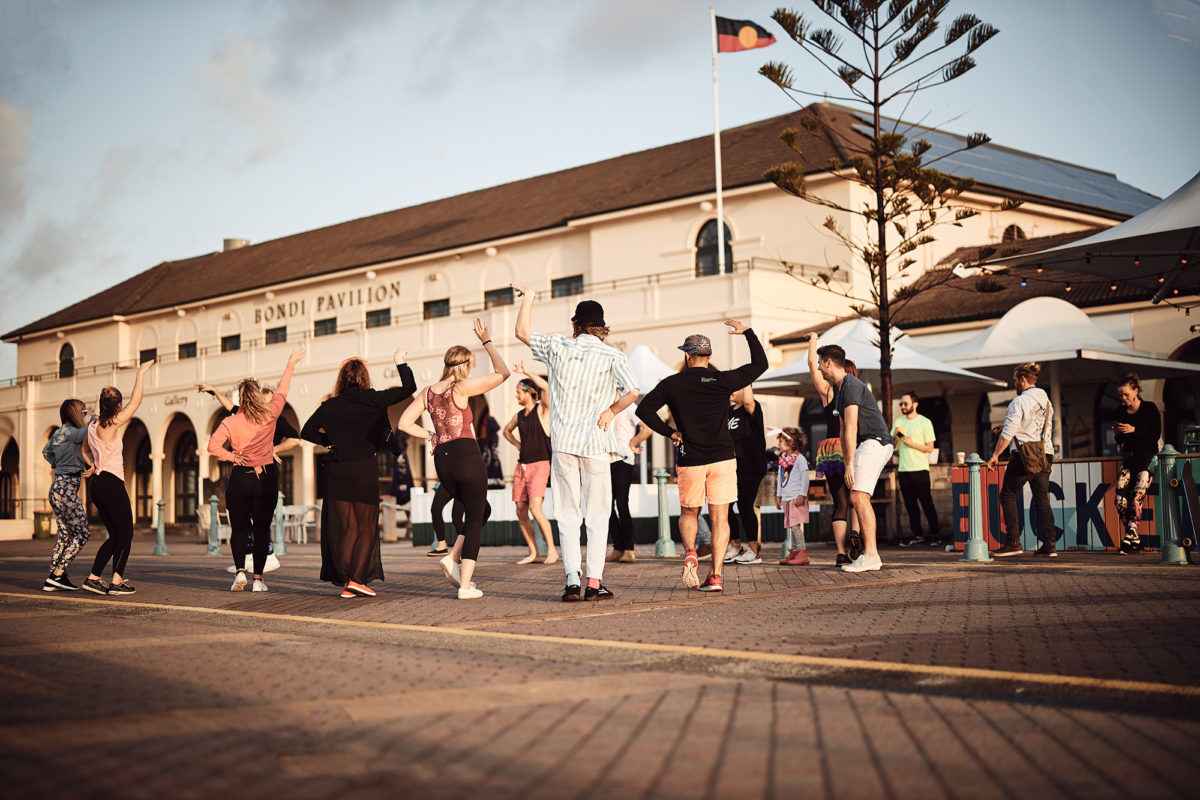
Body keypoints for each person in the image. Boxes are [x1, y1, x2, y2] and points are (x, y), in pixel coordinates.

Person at [515, 287, 638, 602]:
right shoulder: (613, 354)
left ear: (577, 325)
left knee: (568, 514)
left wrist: (528, 296)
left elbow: (522, 332)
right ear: (601, 327)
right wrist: (611, 411)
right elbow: (633, 390)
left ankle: (571, 580)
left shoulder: (558, 346)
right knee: (598, 515)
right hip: (596, 443)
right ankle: (594, 583)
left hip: (564, 445)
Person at [637, 320, 768, 593]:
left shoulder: (672, 383)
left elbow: (644, 411)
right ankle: (717, 576)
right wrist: (748, 334)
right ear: (709, 356)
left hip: (690, 457)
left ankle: (690, 552)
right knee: (720, 517)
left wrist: (670, 432)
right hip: (722, 457)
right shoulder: (723, 380)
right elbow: (760, 365)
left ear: (687, 355)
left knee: (689, 512)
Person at [398, 319, 510, 599]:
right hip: (465, 455)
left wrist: (431, 436)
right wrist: (487, 341)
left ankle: (452, 557)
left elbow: (403, 423)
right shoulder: (461, 387)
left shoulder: (428, 392)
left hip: (443, 460)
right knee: (474, 520)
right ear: (466, 365)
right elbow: (503, 373)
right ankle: (464, 585)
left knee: (482, 511)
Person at [302, 349, 416, 597]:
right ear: (364, 378)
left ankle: (348, 583)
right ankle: (356, 579)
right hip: (362, 469)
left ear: (341, 379)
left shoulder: (330, 406)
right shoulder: (373, 399)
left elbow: (306, 431)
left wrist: (329, 443)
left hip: (337, 470)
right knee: (365, 527)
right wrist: (399, 361)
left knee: (347, 528)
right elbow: (409, 388)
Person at [208, 348, 306, 592]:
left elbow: (212, 446)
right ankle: (258, 580)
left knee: (239, 528)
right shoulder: (270, 414)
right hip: (265, 478)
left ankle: (240, 573)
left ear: (241, 398)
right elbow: (283, 391)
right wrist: (291, 362)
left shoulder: (230, 421)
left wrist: (232, 456)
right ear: (258, 396)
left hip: (240, 478)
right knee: (262, 529)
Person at [198, 381, 298, 575]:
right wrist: (216, 391)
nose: (267, 404)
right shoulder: (251, 415)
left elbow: (295, 439)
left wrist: (271, 450)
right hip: (254, 474)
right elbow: (230, 406)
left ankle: (254, 563)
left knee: (254, 524)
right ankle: (252, 568)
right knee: (249, 524)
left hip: (256, 473)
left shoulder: (275, 418)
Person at [816, 341, 893, 573]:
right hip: (867, 444)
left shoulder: (850, 385)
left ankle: (871, 555)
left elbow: (851, 428)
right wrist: (845, 459)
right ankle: (870, 554)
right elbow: (841, 431)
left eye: (821, 364)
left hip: (875, 442)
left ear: (829, 363)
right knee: (858, 497)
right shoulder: (840, 389)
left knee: (859, 497)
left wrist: (848, 464)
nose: (819, 368)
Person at [81, 358, 154, 595]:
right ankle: (116, 581)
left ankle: (93, 578)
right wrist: (140, 374)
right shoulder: (112, 423)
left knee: (115, 535)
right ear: (118, 405)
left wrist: (91, 464)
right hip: (112, 483)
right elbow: (137, 401)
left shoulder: (92, 425)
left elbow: (83, 450)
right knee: (126, 533)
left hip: (97, 485)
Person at [986, 362, 1056, 557]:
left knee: (1007, 495)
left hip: (1024, 456)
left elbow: (1008, 434)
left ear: (1023, 380)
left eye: (1016, 380)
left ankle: (1013, 543)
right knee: (1042, 499)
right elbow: (1033, 427)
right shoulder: (1046, 400)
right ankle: (1050, 546)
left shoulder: (1018, 402)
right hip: (1045, 454)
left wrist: (995, 456)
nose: (1015, 384)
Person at [806, 333, 860, 565]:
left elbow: (811, 363)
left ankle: (840, 552)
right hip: (852, 447)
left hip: (831, 450)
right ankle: (856, 535)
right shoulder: (856, 390)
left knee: (840, 502)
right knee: (859, 496)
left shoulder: (828, 392)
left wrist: (813, 341)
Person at [503, 362, 559, 565]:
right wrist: (519, 445)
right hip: (522, 466)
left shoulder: (542, 411)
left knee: (536, 508)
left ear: (529, 392)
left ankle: (552, 550)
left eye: (519, 392)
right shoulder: (518, 416)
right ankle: (534, 552)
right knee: (520, 509)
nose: (516, 396)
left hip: (541, 464)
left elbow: (545, 387)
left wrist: (526, 371)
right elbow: (506, 431)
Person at [41, 399, 95, 591]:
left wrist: (57, 464)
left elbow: (46, 452)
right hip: (68, 489)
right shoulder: (73, 433)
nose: (85, 416)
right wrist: (95, 416)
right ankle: (57, 574)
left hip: (56, 487)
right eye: (83, 412)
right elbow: (88, 432)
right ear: (76, 414)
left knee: (64, 535)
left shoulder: (57, 433)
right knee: (82, 534)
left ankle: (53, 577)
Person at [1112, 373, 1160, 554]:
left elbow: (1155, 435)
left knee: (1136, 500)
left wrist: (1134, 430)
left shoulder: (1149, 408)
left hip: (1147, 459)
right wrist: (1119, 433)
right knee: (1119, 500)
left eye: (1126, 394)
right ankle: (1135, 539)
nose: (1123, 398)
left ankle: (1128, 538)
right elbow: (1120, 438)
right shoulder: (1121, 411)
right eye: (1120, 395)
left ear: (1136, 391)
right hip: (1129, 459)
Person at [892, 391, 942, 547]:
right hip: (904, 469)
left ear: (915, 404)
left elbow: (930, 448)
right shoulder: (899, 421)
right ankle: (917, 534)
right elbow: (892, 446)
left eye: (906, 403)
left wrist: (912, 444)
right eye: (901, 404)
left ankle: (935, 533)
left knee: (926, 502)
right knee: (910, 505)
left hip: (920, 469)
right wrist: (894, 436)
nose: (903, 406)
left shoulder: (925, 422)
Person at [726, 383, 768, 565]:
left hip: (751, 465)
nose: (731, 390)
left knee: (744, 505)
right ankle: (735, 546)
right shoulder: (728, 411)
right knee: (725, 506)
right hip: (731, 467)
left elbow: (748, 401)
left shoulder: (752, 407)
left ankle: (753, 550)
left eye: (735, 386)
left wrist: (743, 379)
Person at [606, 403, 652, 563]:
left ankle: (628, 549)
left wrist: (632, 444)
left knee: (622, 504)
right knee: (606, 506)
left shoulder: (629, 406)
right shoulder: (604, 404)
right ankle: (617, 547)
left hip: (624, 460)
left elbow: (647, 428)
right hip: (606, 460)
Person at [775, 427, 811, 566]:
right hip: (786, 497)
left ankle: (802, 552)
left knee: (795, 526)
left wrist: (802, 494)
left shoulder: (800, 459)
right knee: (790, 526)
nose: (779, 444)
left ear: (790, 443)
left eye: (781, 441)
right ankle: (795, 552)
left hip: (796, 498)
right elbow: (780, 479)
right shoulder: (783, 460)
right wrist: (779, 496)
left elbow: (805, 477)